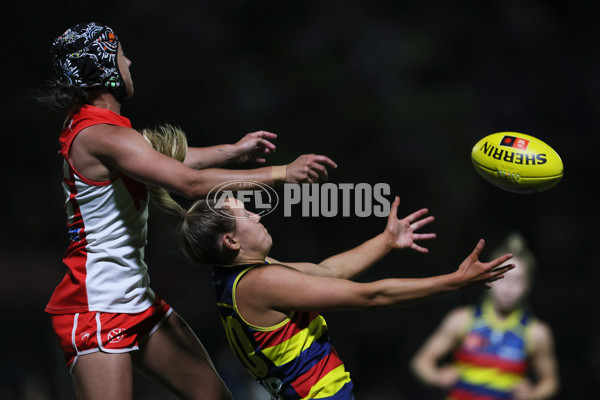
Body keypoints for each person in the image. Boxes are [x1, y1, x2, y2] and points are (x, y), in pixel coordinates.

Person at [39, 22, 336, 400]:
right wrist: (281, 173)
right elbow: (188, 184)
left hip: (136, 299)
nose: (128, 61)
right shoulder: (101, 136)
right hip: (98, 308)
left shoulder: (98, 128)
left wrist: (232, 150)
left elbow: (161, 158)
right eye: (119, 55)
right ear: (103, 67)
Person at [139, 127, 514, 400]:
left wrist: (385, 241)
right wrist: (454, 281)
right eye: (245, 215)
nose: (256, 216)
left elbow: (329, 272)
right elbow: (371, 297)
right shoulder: (262, 282)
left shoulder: (240, 276)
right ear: (231, 241)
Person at [410, 232, 560, 400]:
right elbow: (420, 362)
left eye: (517, 281)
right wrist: (438, 376)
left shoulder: (536, 333)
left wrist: (533, 394)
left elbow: (551, 382)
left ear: (527, 286)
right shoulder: (462, 319)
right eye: (503, 277)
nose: (509, 288)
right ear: (490, 278)